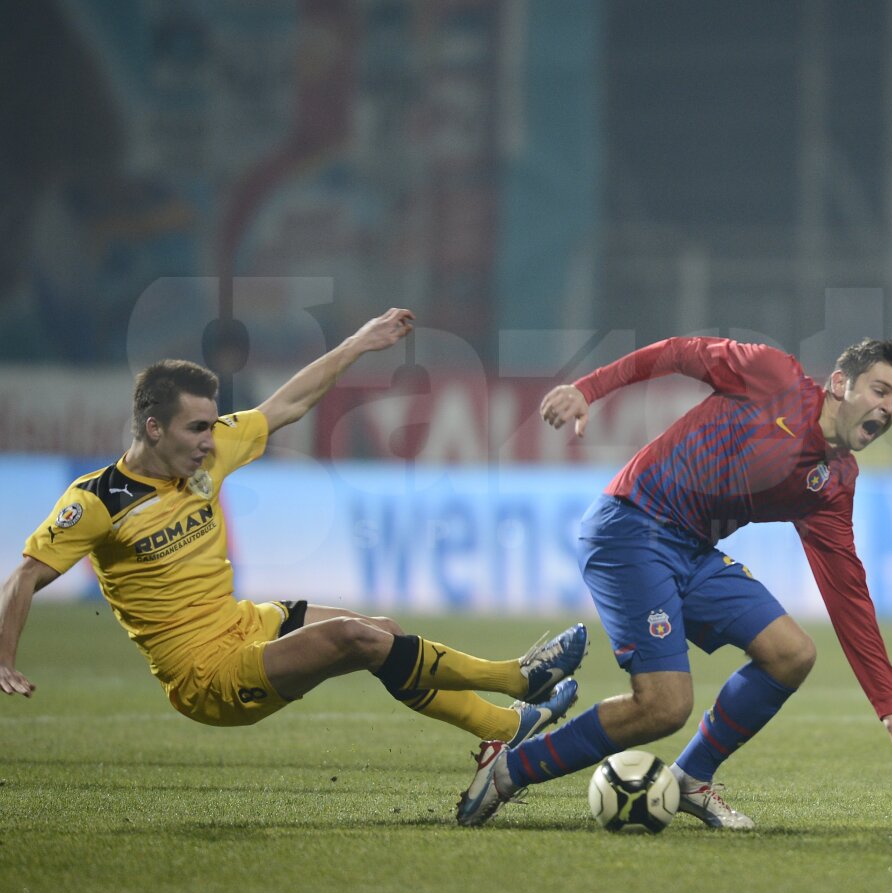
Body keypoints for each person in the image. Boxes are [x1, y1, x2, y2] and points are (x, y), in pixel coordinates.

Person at [0, 307, 588, 746]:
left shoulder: (211, 454)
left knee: (381, 630)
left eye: (212, 426)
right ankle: (517, 680)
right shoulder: (98, 500)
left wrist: (357, 344)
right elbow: (24, 576)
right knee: (356, 639)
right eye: (196, 429)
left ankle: (502, 731)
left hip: (243, 623)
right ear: (153, 429)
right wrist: (4, 659)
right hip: (206, 676)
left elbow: (287, 404)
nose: (210, 441)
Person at [456, 335, 892, 830]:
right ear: (840, 383)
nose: (888, 408)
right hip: (631, 526)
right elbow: (676, 352)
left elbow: (848, 592)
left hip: (691, 552)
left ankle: (691, 778)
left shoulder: (834, 481)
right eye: (880, 391)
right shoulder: (775, 378)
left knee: (791, 654)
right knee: (665, 706)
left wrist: (889, 701)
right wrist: (589, 388)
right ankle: (509, 769)